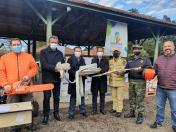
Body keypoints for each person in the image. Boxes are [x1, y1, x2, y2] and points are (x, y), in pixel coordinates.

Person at [0, 38, 38, 131]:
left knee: (28, 104)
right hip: (11, 87)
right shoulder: (4, 58)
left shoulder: (28, 56)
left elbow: (34, 68)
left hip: (26, 85)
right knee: (13, 105)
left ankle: (28, 123)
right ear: (11, 46)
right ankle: (14, 126)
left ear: (21, 45)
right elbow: (1, 72)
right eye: (14, 45)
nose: (16, 46)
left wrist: (28, 76)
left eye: (18, 44)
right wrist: (5, 84)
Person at [150, 41, 176, 132]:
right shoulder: (159, 59)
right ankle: (159, 121)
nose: (167, 48)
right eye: (165, 46)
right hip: (160, 87)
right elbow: (154, 72)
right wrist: (147, 74)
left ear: (173, 47)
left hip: (174, 88)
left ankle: (175, 125)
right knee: (160, 106)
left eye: (169, 46)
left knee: (174, 109)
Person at [124, 44, 152, 124]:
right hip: (131, 80)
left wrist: (141, 69)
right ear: (133, 50)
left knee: (140, 99)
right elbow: (126, 69)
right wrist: (121, 71)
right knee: (132, 97)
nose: (136, 50)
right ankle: (132, 112)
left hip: (140, 82)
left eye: (138, 49)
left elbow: (150, 68)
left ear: (140, 50)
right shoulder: (129, 59)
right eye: (135, 49)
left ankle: (140, 115)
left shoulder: (145, 58)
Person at [40, 36, 64, 125]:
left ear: (57, 43)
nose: (54, 43)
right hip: (47, 79)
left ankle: (56, 113)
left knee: (56, 98)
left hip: (57, 79)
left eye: (55, 42)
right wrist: (55, 68)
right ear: (49, 42)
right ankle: (45, 115)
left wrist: (64, 67)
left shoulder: (60, 53)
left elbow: (62, 64)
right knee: (46, 98)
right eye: (52, 42)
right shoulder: (43, 52)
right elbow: (44, 64)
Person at [67, 46, 87, 119]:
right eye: (77, 51)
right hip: (74, 80)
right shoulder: (70, 59)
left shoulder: (82, 59)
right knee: (73, 97)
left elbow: (85, 68)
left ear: (81, 52)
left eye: (79, 51)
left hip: (81, 80)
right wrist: (77, 74)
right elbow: (69, 70)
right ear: (74, 51)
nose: (78, 52)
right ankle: (71, 112)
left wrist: (84, 73)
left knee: (81, 95)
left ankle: (83, 110)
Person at [91, 47, 109, 115]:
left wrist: (98, 70)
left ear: (103, 52)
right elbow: (92, 69)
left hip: (103, 81)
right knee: (94, 96)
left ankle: (102, 109)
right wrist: (100, 70)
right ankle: (94, 110)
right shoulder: (93, 59)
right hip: (95, 81)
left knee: (102, 96)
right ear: (97, 52)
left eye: (101, 51)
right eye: (99, 51)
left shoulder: (106, 60)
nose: (100, 52)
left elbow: (106, 68)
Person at [109, 48, 126, 117]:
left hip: (120, 82)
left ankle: (119, 110)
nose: (115, 53)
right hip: (112, 81)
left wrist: (119, 72)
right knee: (114, 96)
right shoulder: (110, 61)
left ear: (119, 53)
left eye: (117, 52)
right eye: (114, 52)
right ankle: (114, 108)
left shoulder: (123, 61)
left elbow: (123, 70)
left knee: (119, 97)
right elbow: (109, 70)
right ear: (112, 53)